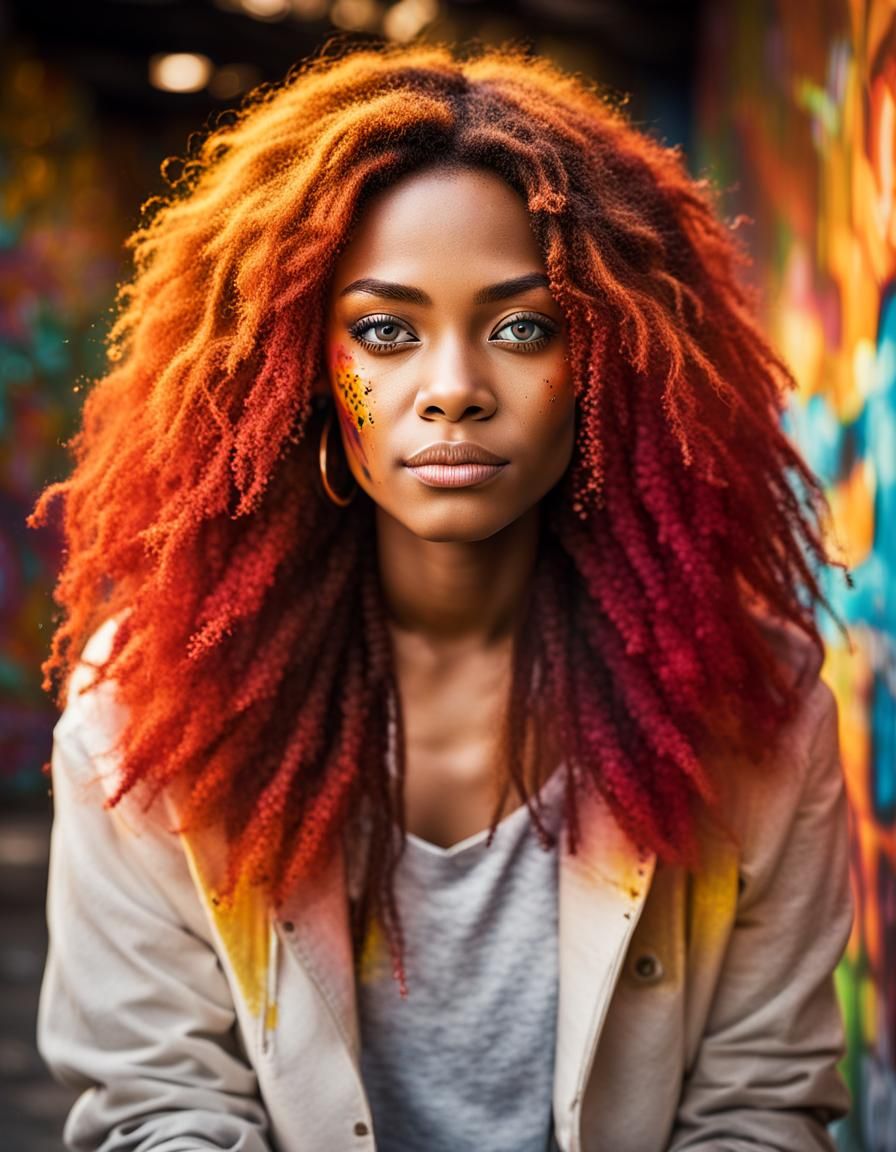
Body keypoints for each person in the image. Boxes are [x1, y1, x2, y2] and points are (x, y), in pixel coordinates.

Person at [31, 39, 854, 1152]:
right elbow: (155, 1105)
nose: (455, 389)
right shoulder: (148, 714)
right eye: (383, 331)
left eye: (523, 328)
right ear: (299, 367)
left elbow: (761, 1109)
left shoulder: (753, 714)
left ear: (604, 362)